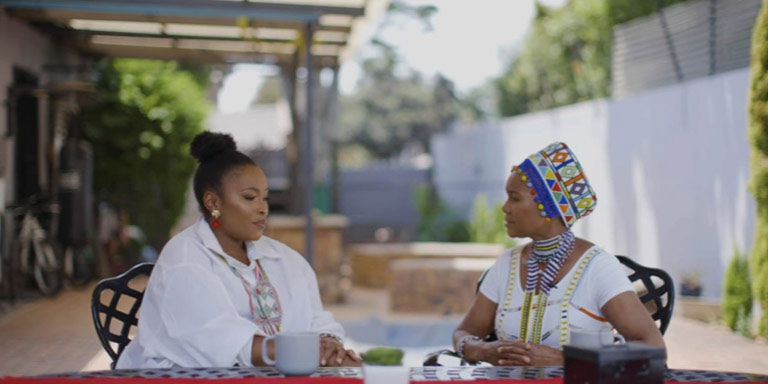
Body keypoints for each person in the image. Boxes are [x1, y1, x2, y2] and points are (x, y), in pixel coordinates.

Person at [117, 132, 361, 368]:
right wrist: (309, 350)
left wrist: (329, 344)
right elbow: (225, 342)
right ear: (213, 202)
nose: (262, 208)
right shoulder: (184, 260)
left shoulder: (284, 259)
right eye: (249, 198)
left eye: (264, 198)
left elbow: (317, 319)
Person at [453, 142, 664, 366]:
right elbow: (464, 332)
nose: (505, 207)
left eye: (514, 198)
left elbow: (652, 346)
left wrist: (562, 359)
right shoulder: (506, 264)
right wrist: (483, 350)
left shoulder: (598, 267)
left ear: (548, 208)